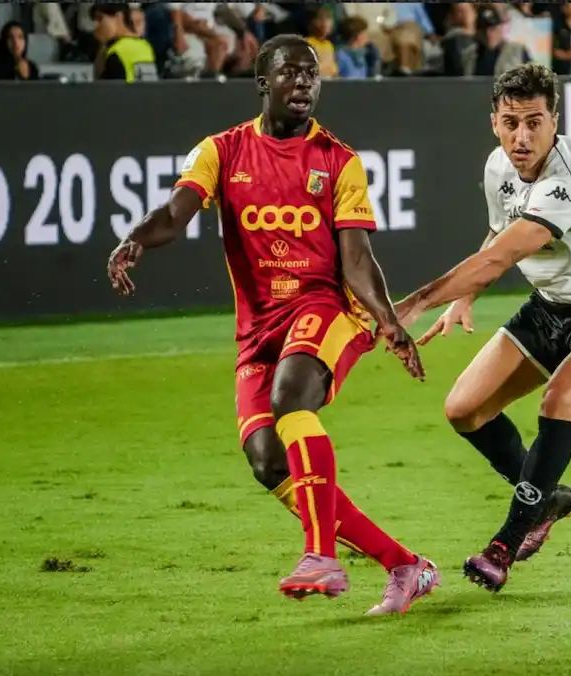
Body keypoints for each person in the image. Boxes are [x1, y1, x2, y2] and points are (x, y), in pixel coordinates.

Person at [106, 35, 440, 615]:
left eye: (312, 74)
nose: (304, 82)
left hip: (327, 308)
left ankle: (321, 556)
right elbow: (175, 214)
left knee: (291, 401)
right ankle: (405, 565)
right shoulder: (220, 151)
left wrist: (389, 323)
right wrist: (136, 239)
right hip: (258, 327)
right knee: (268, 460)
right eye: (290, 72)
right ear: (263, 82)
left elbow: (357, 258)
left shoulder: (338, 160)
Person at [394, 63, 571, 592]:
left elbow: (503, 256)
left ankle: (505, 545)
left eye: (534, 122)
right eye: (511, 122)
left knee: (561, 397)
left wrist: (418, 302)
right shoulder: (498, 166)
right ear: (494, 121)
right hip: (550, 304)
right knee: (464, 409)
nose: (522, 136)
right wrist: (464, 297)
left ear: (554, 121)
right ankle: (545, 500)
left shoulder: (569, 177)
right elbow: (498, 237)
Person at [92, 4, 158, 82]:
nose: (96, 26)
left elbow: (102, 85)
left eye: (100, 19)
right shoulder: (145, 46)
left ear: (118, 17)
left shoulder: (116, 52)